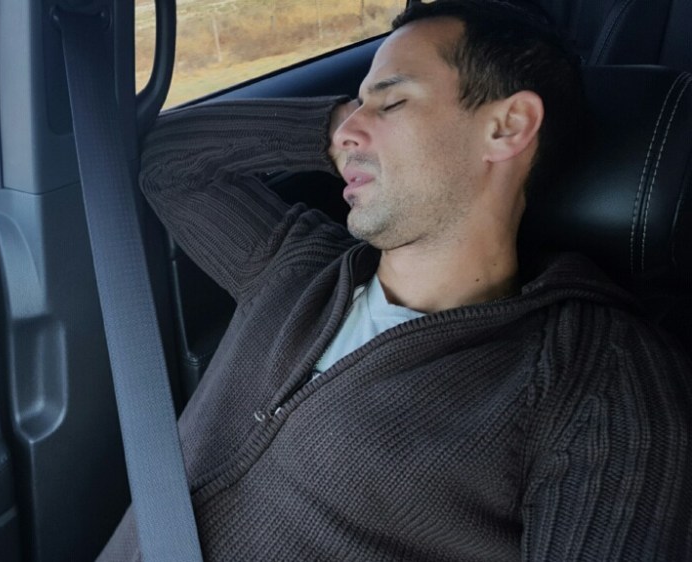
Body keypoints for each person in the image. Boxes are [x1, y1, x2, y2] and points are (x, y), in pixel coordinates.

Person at [98, 0, 692, 560]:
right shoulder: (297, 265)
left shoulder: (597, 375)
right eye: (353, 109)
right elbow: (172, 163)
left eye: (391, 102)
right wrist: (335, 127)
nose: (348, 131)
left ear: (508, 126)